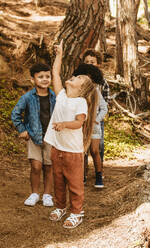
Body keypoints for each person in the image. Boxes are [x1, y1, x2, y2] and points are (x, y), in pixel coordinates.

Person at [45, 40, 99, 229]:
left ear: (81, 88)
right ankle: (60, 207)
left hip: (72, 151)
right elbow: (55, 74)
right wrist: (59, 55)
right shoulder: (61, 96)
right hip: (57, 148)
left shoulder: (80, 102)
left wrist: (64, 124)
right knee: (58, 181)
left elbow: (79, 122)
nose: (73, 77)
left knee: (74, 184)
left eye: (78, 79)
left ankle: (77, 212)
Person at [11, 63, 56, 207]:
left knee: (49, 166)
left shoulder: (54, 96)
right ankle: (34, 193)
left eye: (47, 76)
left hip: (51, 136)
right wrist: (22, 130)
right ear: (33, 80)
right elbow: (15, 114)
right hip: (34, 136)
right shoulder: (27, 97)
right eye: (40, 77)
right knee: (36, 166)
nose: (44, 79)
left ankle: (47, 195)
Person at [82, 49, 110, 187]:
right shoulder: (79, 81)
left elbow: (105, 104)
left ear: (98, 63)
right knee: (82, 149)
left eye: (92, 62)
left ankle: (100, 172)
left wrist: (97, 118)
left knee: (98, 147)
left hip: (96, 121)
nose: (89, 64)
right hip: (82, 122)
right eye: (86, 62)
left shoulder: (101, 83)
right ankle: (83, 173)